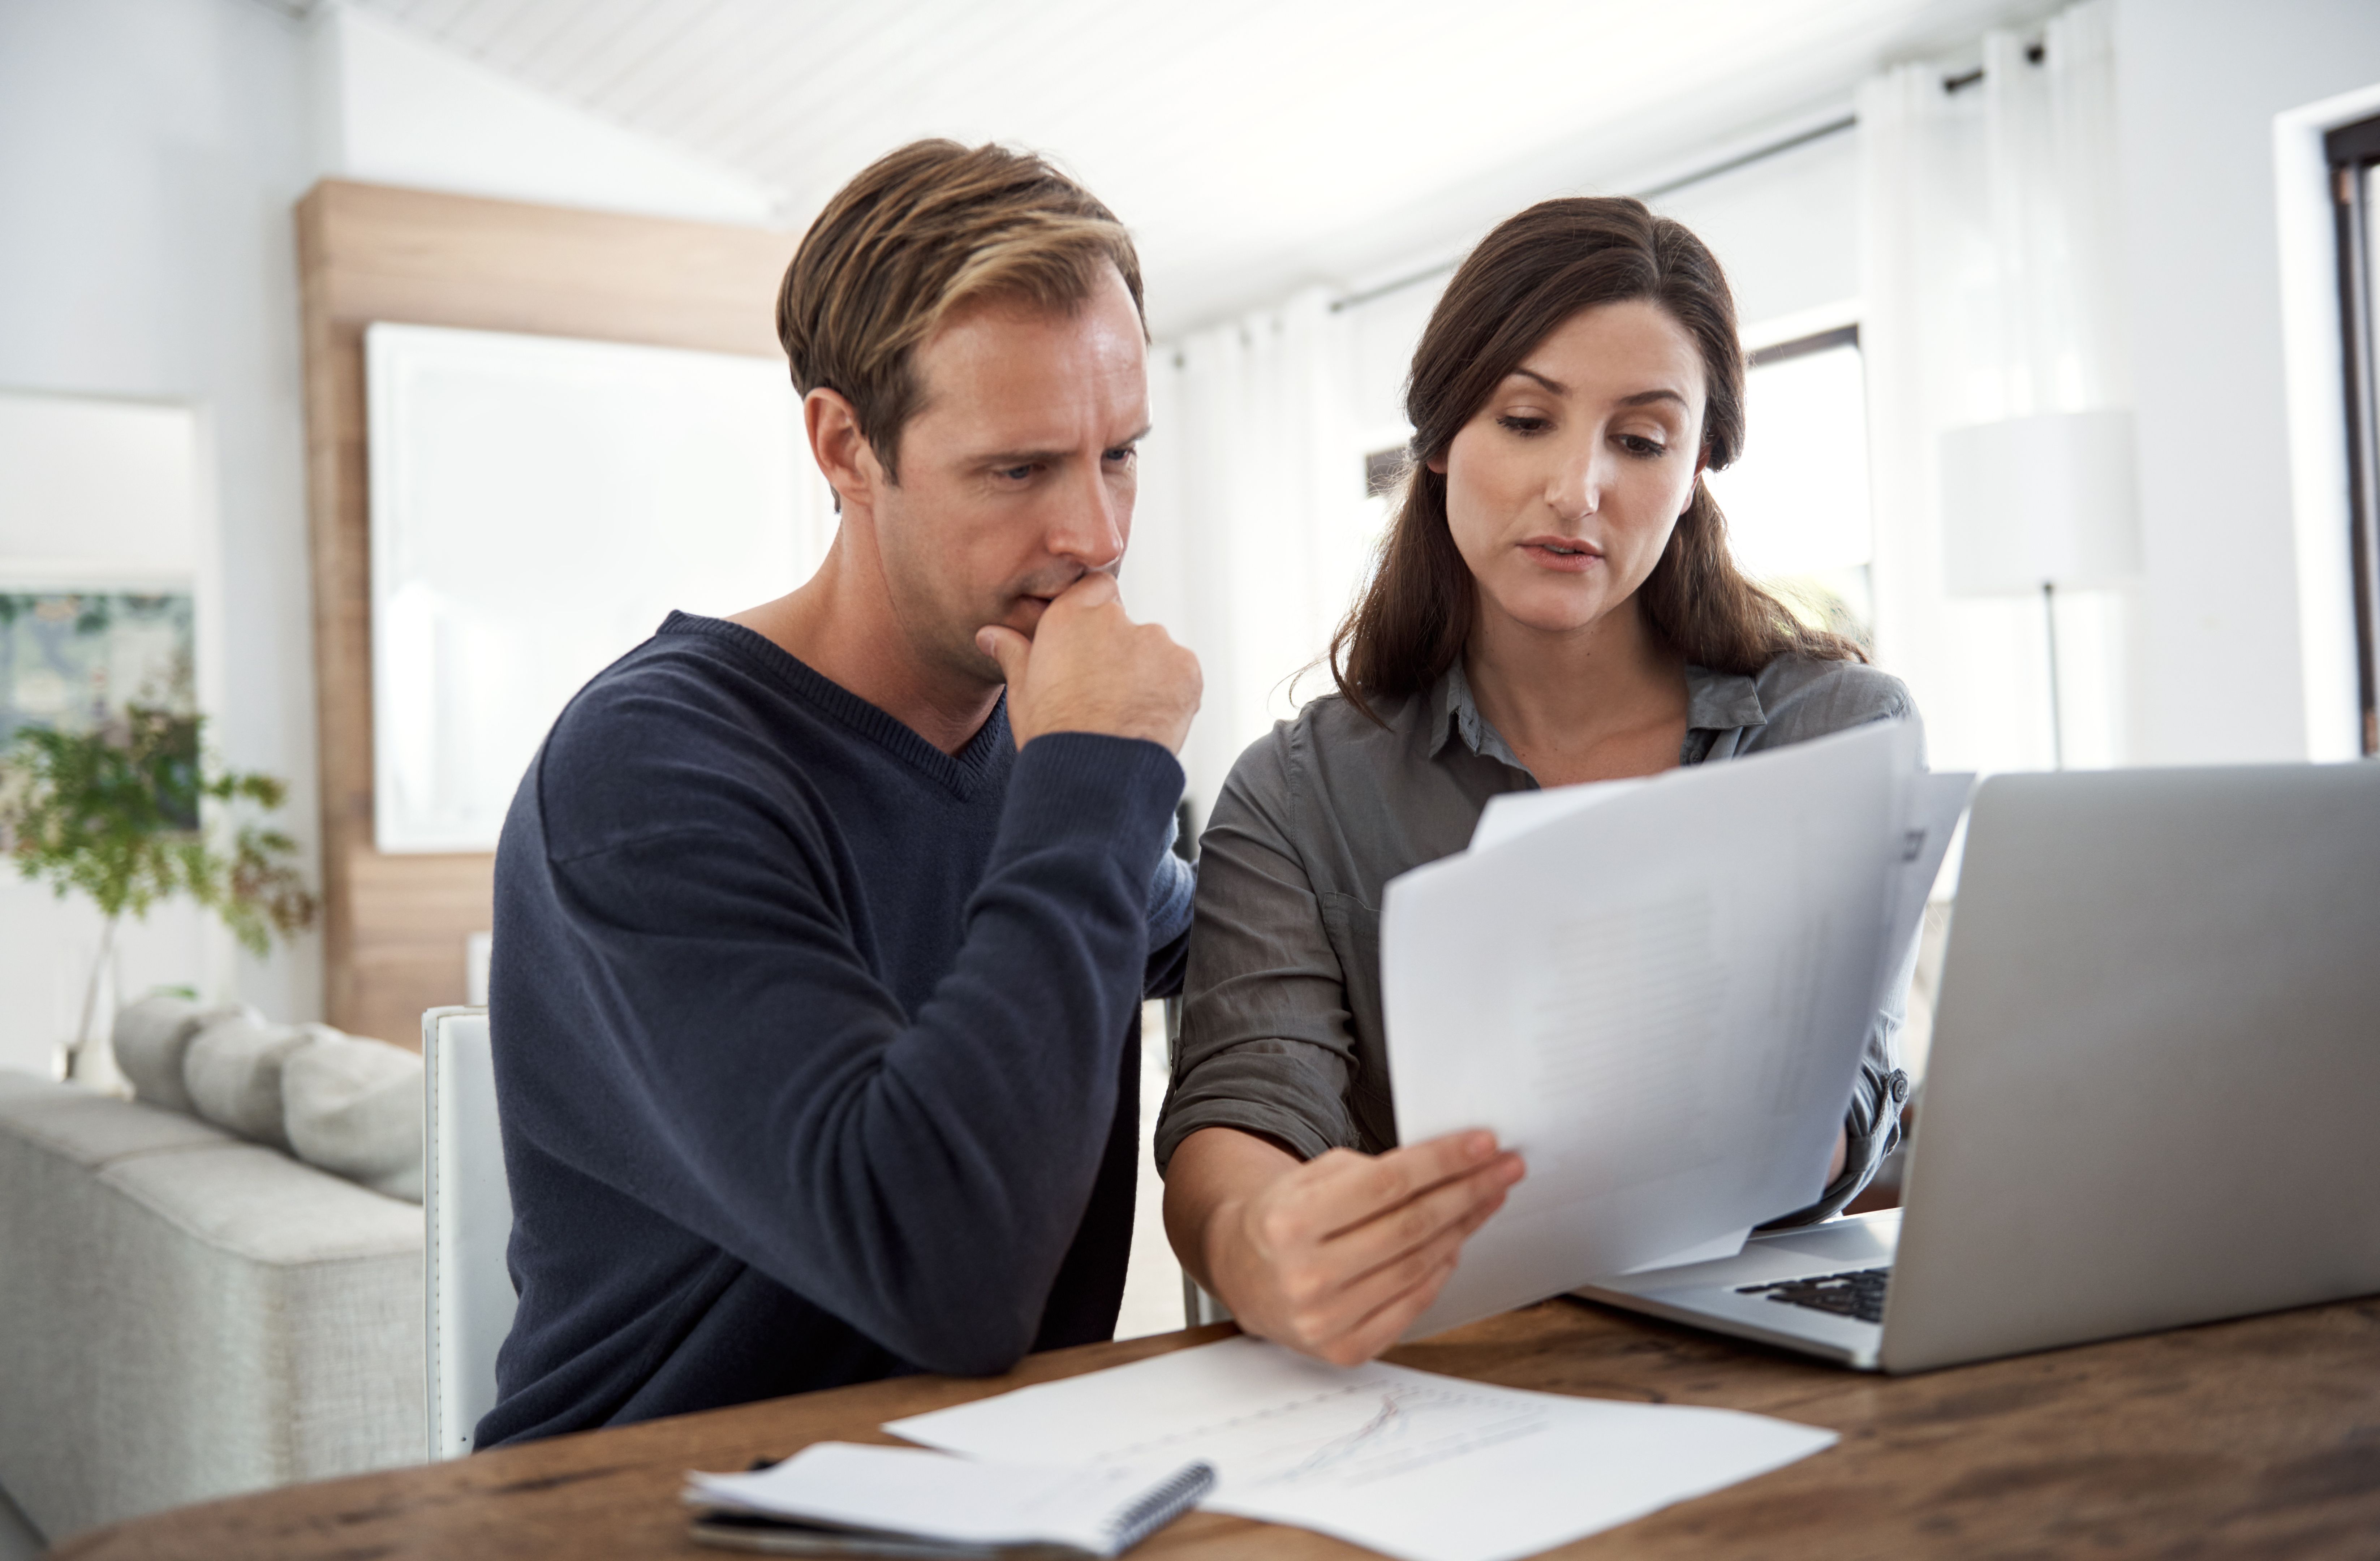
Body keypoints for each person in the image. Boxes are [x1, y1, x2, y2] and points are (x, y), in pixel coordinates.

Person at [476, 140, 1203, 1447]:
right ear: (845, 445)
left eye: (1121, 455)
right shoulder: (648, 767)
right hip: (653, 1508)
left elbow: (1212, 934)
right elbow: (949, 1276)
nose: (1095, 535)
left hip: (998, 1480)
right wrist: (1100, 773)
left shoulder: (1030, 745)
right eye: (1019, 468)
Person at [1157, 196, 1918, 1368]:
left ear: (1698, 465)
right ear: (1440, 435)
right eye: (1525, 419)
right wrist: (1257, 1239)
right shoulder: (1295, 792)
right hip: (1449, 1366)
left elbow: (1857, 1109)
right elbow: (1247, 1109)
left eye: (1642, 440)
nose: (1578, 489)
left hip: (1762, 1354)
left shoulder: (1834, 733)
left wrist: (1759, 1123)